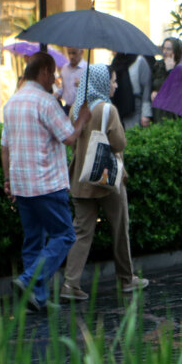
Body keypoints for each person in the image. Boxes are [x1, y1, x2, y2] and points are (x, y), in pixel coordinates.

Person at [0, 52, 91, 310]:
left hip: (22, 184)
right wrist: (83, 117)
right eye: (52, 73)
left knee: (33, 241)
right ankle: (29, 281)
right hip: (47, 183)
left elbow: (4, 146)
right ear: (42, 72)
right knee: (65, 235)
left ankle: (36, 299)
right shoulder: (46, 102)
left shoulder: (12, 103)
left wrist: (7, 179)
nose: (54, 78)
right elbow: (69, 138)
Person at [59, 64, 149, 301]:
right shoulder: (108, 110)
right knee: (120, 229)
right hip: (106, 179)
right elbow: (119, 144)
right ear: (101, 82)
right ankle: (126, 279)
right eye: (112, 80)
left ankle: (70, 284)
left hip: (80, 179)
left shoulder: (76, 109)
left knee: (81, 232)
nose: (115, 85)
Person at [110, 53, 152, 130]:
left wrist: (146, 114)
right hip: (118, 105)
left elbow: (146, 88)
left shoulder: (139, 61)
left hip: (135, 107)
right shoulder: (116, 61)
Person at [151, 37, 182, 123]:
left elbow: (177, 90)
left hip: (174, 113)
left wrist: (170, 71)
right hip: (158, 111)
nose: (165, 52)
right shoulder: (158, 66)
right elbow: (155, 84)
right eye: (164, 48)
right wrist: (153, 92)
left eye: (168, 49)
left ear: (176, 51)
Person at [54, 47, 87, 115]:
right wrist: (56, 94)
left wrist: (82, 84)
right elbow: (62, 87)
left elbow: (92, 89)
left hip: (81, 110)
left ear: (81, 52)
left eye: (74, 53)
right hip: (66, 108)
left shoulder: (87, 68)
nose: (71, 56)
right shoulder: (65, 68)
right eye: (69, 53)